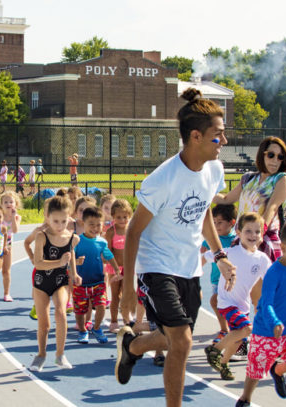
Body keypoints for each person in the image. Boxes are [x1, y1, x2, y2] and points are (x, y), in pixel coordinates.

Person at [115, 88, 234, 407]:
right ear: (196, 136)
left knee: (172, 339)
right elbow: (133, 232)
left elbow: (205, 209)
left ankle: (132, 347)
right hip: (156, 268)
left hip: (189, 270)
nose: (223, 142)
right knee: (181, 342)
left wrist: (219, 254)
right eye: (218, 135)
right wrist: (128, 287)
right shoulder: (163, 178)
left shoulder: (215, 170)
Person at [235, 219, 286, 406]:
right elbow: (267, 303)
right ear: (284, 247)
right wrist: (274, 322)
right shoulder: (274, 272)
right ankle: (245, 399)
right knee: (255, 371)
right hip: (266, 329)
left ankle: (278, 371)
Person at [202, 212, 272, 380]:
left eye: (257, 232)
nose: (253, 235)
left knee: (238, 339)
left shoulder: (262, 259)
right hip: (226, 302)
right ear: (238, 233)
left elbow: (271, 279)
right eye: (248, 231)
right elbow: (205, 256)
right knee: (246, 329)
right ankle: (215, 350)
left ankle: (224, 363)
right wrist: (192, 276)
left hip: (243, 305)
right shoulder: (229, 253)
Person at [213, 136, 286, 263]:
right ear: (262, 155)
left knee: (262, 282)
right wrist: (203, 193)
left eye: (280, 157)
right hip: (242, 239)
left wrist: (258, 235)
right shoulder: (248, 179)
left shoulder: (282, 179)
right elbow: (227, 199)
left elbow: (271, 209)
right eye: (271, 155)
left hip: (263, 240)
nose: (275, 160)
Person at [29, 196, 81, 371]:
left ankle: (60, 354)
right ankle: (41, 354)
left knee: (61, 312)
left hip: (60, 281)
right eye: (56, 221)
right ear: (47, 218)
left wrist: (74, 273)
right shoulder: (41, 236)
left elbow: (70, 253)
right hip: (41, 282)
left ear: (70, 219)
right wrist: (59, 263)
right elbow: (38, 263)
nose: (60, 226)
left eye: (64, 221)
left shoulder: (72, 237)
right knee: (44, 324)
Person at [73, 206, 120, 345]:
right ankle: (82, 330)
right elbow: (69, 259)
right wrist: (76, 262)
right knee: (80, 310)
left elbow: (108, 255)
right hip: (81, 283)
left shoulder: (102, 241)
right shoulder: (77, 241)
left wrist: (117, 269)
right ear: (83, 223)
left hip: (98, 282)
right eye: (91, 225)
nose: (95, 228)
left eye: (98, 225)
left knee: (101, 305)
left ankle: (97, 328)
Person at [201, 204, 238, 347]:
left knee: (218, 301)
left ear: (231, 223)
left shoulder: (236, 240)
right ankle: (225, 329)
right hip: (216, 280)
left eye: (220, 222)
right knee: (218, 303)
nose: (216, 226)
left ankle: (229, 329)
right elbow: (202, 254)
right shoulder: (209, 239)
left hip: (231, 279)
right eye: (214, 222)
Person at [105, 199, 132, 333]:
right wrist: (114, 268)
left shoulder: (131, 230)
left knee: (127, 295)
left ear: (129, 216)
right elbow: (107, 252)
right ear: (113, 217)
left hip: (128, 268)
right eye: (118, 217)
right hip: (115, 268)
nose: (122, 220)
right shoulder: (111, 232)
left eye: (125, 217)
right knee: (115, 295)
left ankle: (127, 320)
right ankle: (114, 321)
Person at [0, 191, 23, 302]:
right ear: (1, 205)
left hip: (8, 247)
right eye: (5, 202)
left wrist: (12, 217)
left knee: (6, 271)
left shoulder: (17, 217)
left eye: (11, 201)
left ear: (15, 204)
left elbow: (15, 230)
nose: (8, 203)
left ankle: (6, 293)